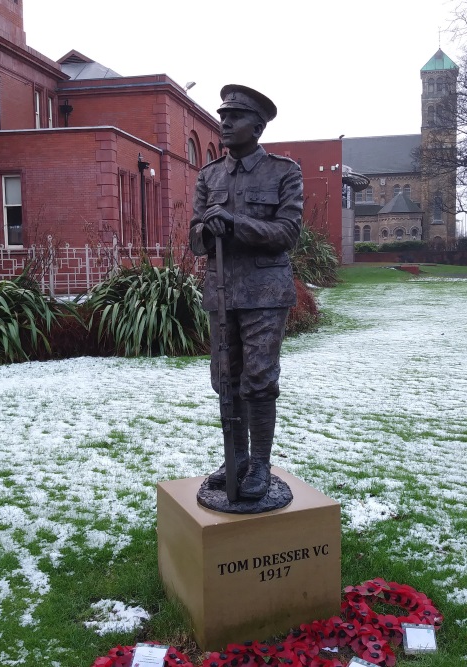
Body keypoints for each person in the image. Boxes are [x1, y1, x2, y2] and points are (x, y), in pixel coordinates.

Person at [189, 84, 303, 500]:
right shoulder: (209, 175)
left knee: (258, 381)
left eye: (234, 118)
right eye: (222, 116)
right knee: (226, 379)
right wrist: (207, 228)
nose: (224, 123)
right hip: (222, 295)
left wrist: (235, 223)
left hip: (265, 294)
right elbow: (194, 240)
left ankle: (259, 464)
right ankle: (235, 456)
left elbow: (287, 233)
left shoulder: (283, 172)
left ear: (257, 126)